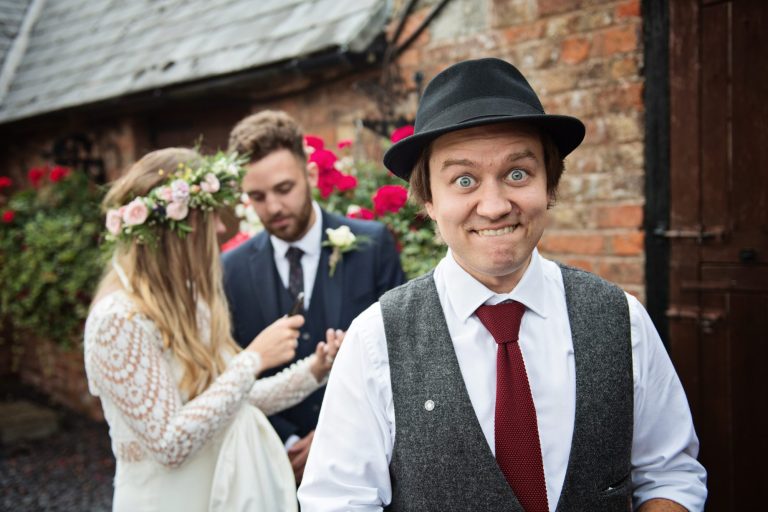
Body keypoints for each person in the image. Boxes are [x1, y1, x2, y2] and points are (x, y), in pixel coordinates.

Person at [299, 58, 707, 511]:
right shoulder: (375, 340)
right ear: (429, 200)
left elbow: (671, 474)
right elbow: (338, 501)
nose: (493, 206)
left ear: (548, 185)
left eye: (517, 174)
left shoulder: (621, 321)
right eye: (464, 180)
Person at [83, 148, 342, 512]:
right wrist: (253, 359)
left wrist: (315, 369)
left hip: (215, 495)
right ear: (178, 231)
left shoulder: (192, 303)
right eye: (211, 219)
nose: (222, 229)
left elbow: (231, 403)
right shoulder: (118, 320)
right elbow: (168, 444)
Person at [222, 110, 406, 482]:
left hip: (365, 456)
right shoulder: (231, 269)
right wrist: (286, 441)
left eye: (284, 189)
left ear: (309, 175)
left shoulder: (372, 245)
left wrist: (331, 435)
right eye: (257, 196)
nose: (273, 207)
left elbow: (400, 353)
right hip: (275, 466)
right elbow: (230, 374)